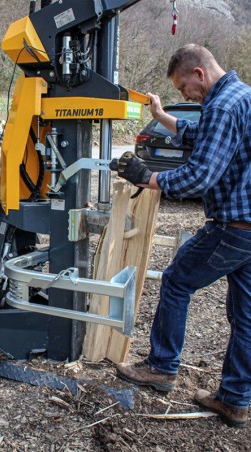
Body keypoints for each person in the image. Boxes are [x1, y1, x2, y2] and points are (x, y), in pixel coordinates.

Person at [113, 44, 251, 428]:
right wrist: (163, 117)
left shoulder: (222, 106)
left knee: (175, 281)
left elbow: (199, 176)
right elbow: (202, 134)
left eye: (184, 87)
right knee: (247, 317)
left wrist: (147, 177)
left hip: (235, 227)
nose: (184, 95)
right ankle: (236, 400)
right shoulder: (242, 97)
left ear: (199, 73)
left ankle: (161, 366)